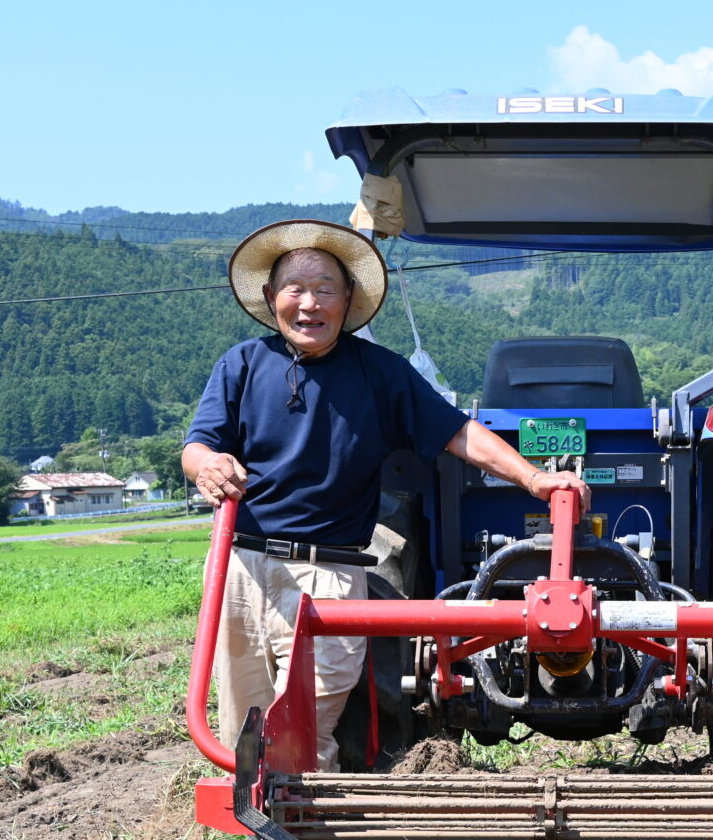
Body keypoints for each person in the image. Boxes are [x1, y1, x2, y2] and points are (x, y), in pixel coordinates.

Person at [184, 219, 587, 768]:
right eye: (295, 289)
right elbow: (199, 445)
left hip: (330, 573)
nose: (310, 304)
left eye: (326, 289)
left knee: (307, 726)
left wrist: (535, 479)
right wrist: (208, 464)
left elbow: (456, 431)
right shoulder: (241, 365)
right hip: (242, 567)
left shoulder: (380, 373)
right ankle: (256, 835)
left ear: (349, 300)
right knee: (243, 726)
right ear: (268, 296)